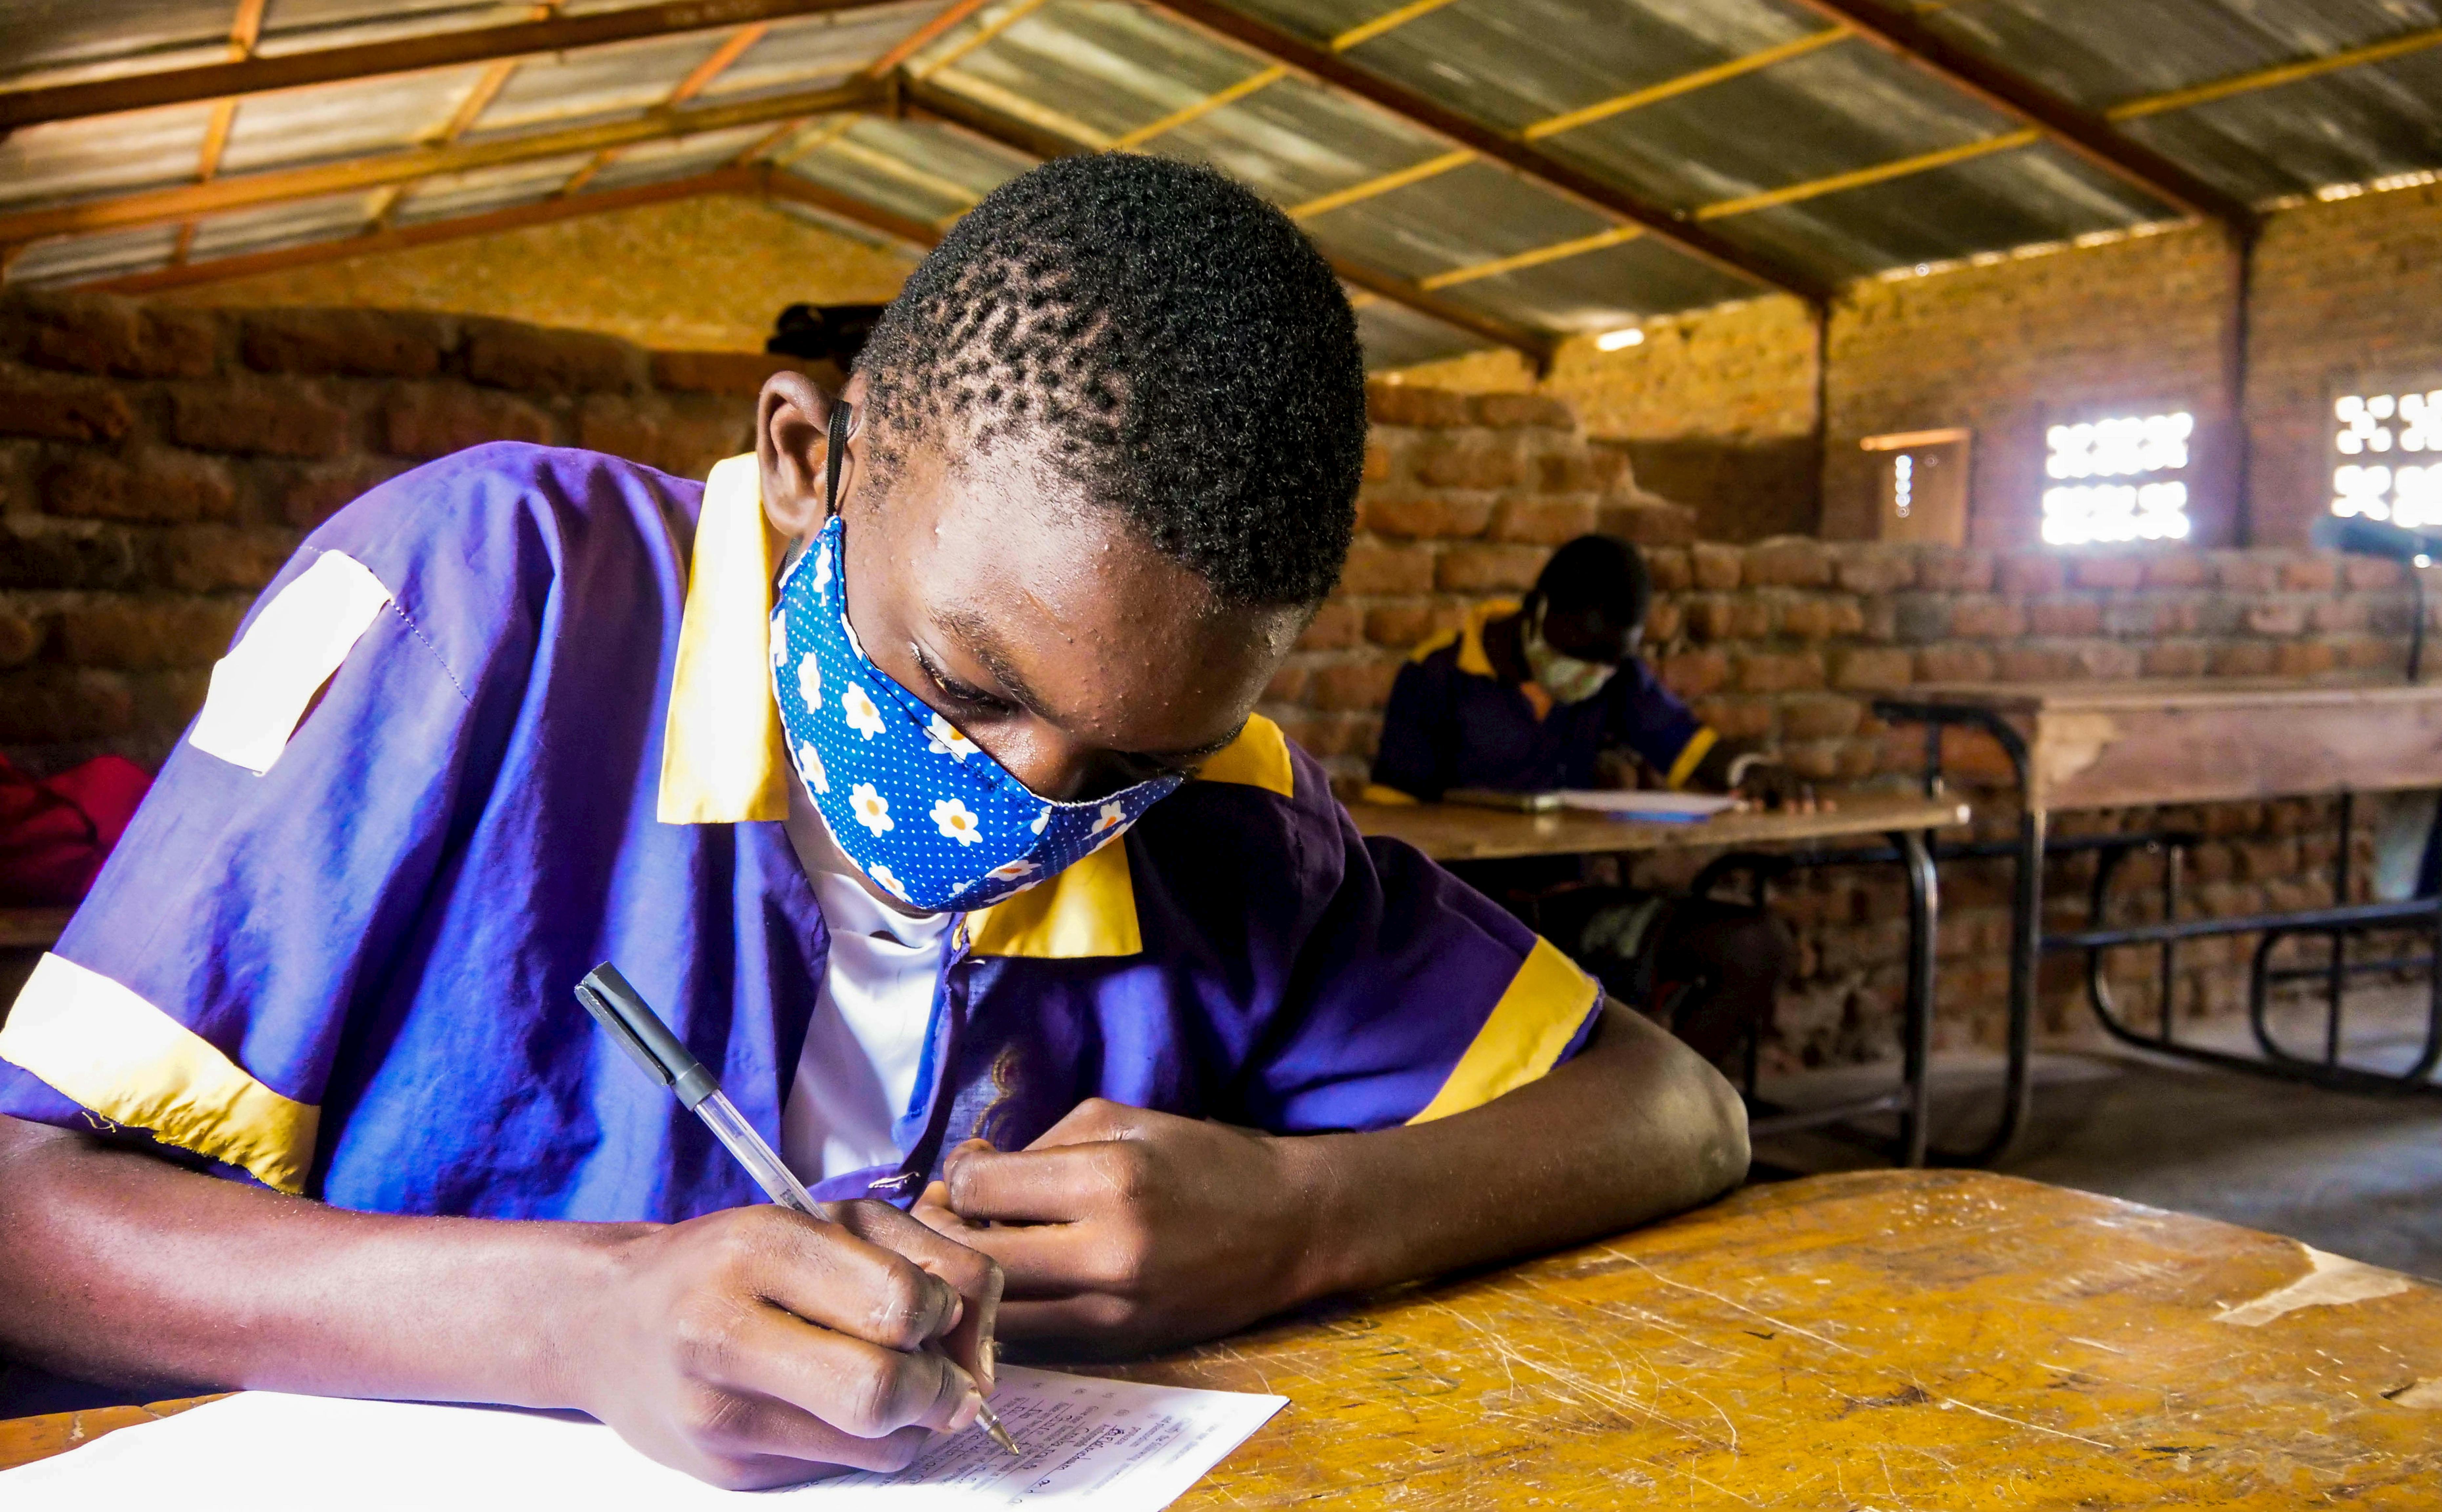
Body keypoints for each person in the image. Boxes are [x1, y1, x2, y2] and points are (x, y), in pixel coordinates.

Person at [0, 156, 1747, 1488]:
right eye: (970, 689)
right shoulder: (483, 603)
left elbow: (1675, 1109)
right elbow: (25, 1213)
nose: (1027, 805)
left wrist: (1307, 1217)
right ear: (807, 458)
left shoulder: (1232, 825)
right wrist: (581, 1314)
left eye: (1131, 752)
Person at [1368, 535, 1798, 1074]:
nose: (1588, 673)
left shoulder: (1612, 677)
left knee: (1755, 947)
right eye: (1578, 653)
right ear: (1540, 610)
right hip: (1469, 917)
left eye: (1608, 662)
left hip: (1573, 912)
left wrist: (1748, 771)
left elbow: (1681, 741)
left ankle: (1658, 1113)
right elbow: (1392, 830)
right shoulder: (1438, 675)